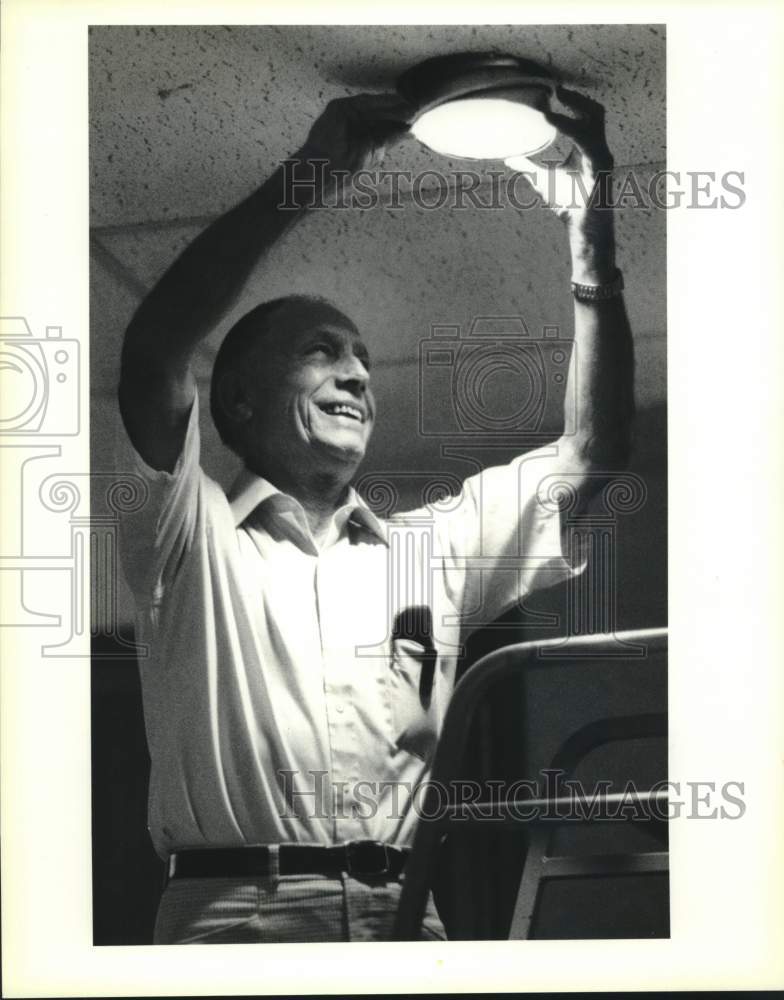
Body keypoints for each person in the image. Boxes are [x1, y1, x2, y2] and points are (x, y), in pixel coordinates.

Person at [115, 86, 633, 943]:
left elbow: (592, 453)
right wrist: (313, 173)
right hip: (235, 918)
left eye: (363, 359)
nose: (357, 374)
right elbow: (151, 356)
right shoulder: (189, 537)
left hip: (407, 913)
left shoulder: (429, 551)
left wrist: (591, 233)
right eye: (322, 351)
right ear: (235, 403)